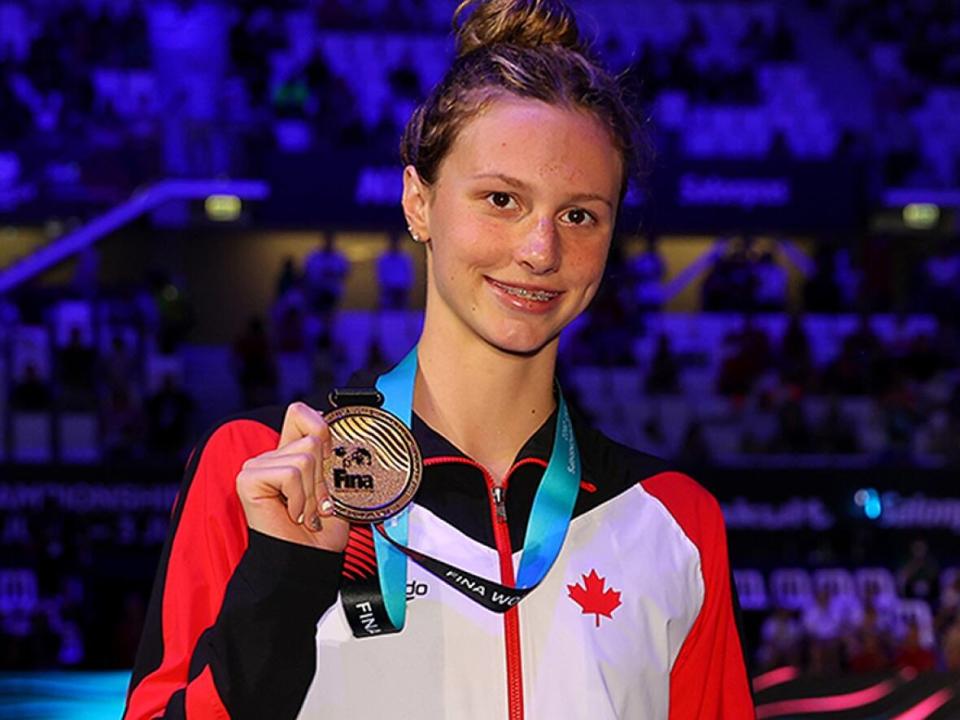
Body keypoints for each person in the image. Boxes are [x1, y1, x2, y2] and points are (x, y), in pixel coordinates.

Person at [123, 2, 754, 718]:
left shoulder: (676, 522)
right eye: (500, 199)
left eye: (579, 215)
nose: (540, 251)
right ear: (417, 202)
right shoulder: (260, 470)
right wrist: (283, 581)